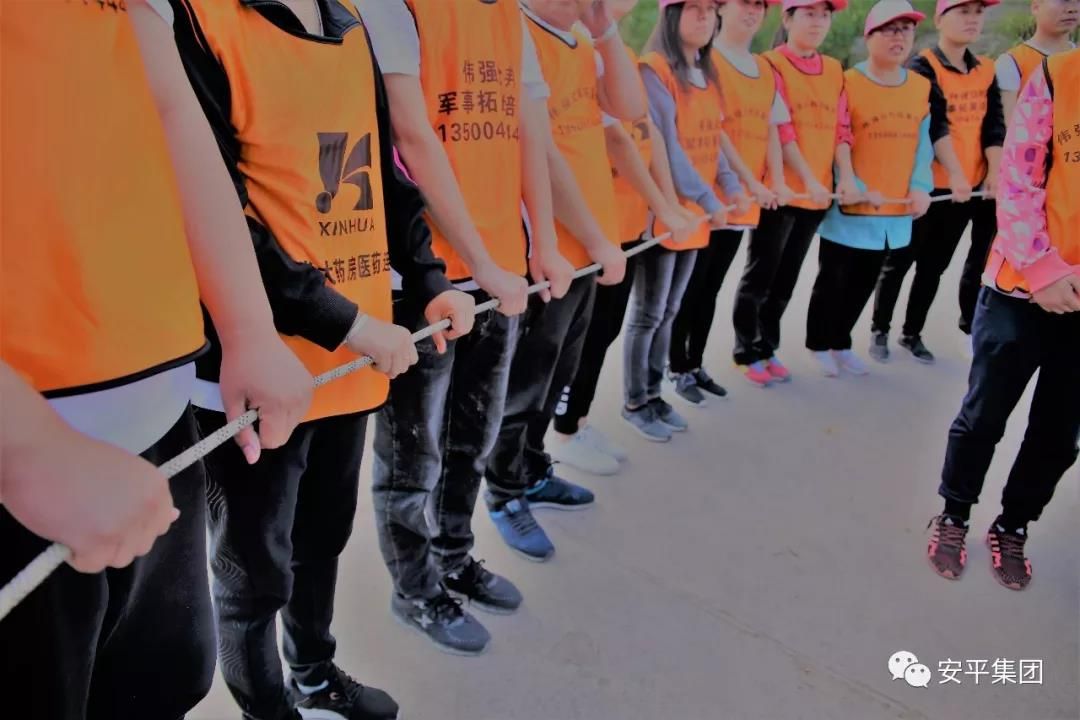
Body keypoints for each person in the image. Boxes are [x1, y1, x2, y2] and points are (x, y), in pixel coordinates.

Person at [0, 1, 312, 718]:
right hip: (29, 463)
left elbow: (171, 113)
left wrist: (248, 327)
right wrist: (23, 447)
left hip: (153, 420)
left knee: (164, 678)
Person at [170, 1, 474, 718]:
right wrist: (349, 323)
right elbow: (214, 214)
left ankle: (313, 671)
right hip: (256, 373)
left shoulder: (351, 26)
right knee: (253, 573)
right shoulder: (201, 21)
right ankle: (265, 707)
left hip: (351, 363)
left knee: (323, 537)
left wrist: (428, 279)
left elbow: (383, 172)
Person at [357, 0, 575, 656]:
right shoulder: (395, 7)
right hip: (423, 278)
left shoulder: (507, 16)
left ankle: (453, 555)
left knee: (472, 435)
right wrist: (478, 260)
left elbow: (528, 129)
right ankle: (415, 586)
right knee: (413, 455)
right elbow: (411, 135)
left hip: (500, 269)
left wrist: (541, 243)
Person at [483, 0, 641, 562]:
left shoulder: (580, 40)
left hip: (585, 253)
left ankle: (530, 471)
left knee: (555, 379)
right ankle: (503, 493)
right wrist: (596, 241)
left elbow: (630, 108)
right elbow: (541, 154)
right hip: (546, 255)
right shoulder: (519, 32)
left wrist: (606, 32)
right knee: (523, 387)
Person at [926, 48, 1080, 591]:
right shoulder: (1059, 75)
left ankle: (1013, 524)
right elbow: (1018, 179)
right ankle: (954, 513)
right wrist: (1043, 269)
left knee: (1058, 436)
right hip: (1021, 288)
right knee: (984, 415)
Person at [550, 0, 695, 475]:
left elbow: (634, 136)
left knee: (602, 332)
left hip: (620, 231)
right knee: (574, 342)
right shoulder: (559, 43)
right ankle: (560, 432)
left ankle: (576, 422)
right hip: (582, 234)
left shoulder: (613, 52)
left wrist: (663, 205)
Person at [626, 0, 750, 440]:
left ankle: (654, 394)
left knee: (670, 310)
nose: (704, 17)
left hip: (695, 216)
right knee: (649, 314)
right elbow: (667, 146)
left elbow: (713, 141)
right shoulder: (654, 69)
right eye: (692, 8)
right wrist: (707, 198)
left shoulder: (707, 74)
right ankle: (636, 401)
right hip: (665, 214)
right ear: (671, 15)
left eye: (710, 9)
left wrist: (731, 187)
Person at [668, 0, 791, 401]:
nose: (753, 11)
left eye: (760, 5)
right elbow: (715, 131)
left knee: (711, 288)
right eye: (744, 3)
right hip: (707, 198)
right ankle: (675, 366)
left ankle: (694, 362)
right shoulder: (708, 60)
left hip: (741, 203)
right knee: (690, 288)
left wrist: (771, 181)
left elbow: (772, 129)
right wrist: (747, 181)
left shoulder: (763, 69)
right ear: (722, 8)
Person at [871, 0, 1005, 365]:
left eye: (978, 12)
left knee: (934, 266)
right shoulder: (922, 66)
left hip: (967, 191)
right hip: (927, 188)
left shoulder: (986, 69)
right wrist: (956, 175)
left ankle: (911, 332)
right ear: (939, 19)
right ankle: (880, 329)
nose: (972, 19)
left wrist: (993, 171)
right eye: (963, 12)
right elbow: (935, 126)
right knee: (899, 261)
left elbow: (994, 125)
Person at [804, 0, 933, 378]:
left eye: (906, 30)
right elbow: (835, 137)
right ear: (869, 36)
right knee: (833, 279)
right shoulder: (847, 81)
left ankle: (841, 343)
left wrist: (920, 186)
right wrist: (853, 184)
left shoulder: (920, 86)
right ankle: (819, 343)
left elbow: (922, 145)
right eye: (889, 30)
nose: (898, 38)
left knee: (865, 281)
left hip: (894, 209)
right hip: (851, 205)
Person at [732, 0, 848, 387]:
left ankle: (768, 346)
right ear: (788, 18)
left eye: (824, 15)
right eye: (809, 14)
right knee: (760, 275)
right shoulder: (771, 65)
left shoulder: (834, 70)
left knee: (786, 280)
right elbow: (782, 131)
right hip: (780, 193)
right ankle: (745, 349)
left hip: (817, 194)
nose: (818, 22)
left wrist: (838, 177)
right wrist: (807, 179)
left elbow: (841, 128)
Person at [996, 0, 1078, 121]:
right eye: (1061, 1)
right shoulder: (1012, 63)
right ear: (1035, 7)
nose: (1072, 9)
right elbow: (1007, 127)